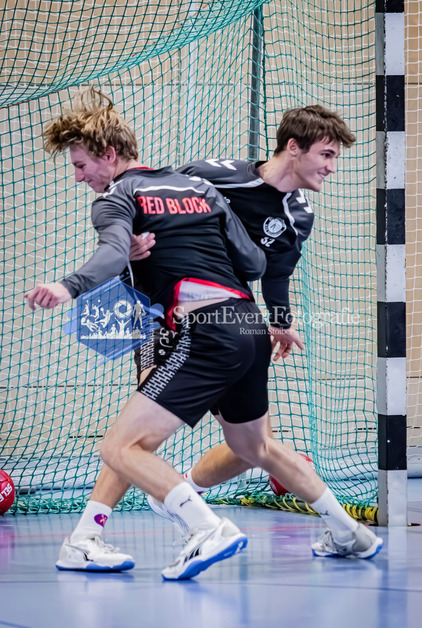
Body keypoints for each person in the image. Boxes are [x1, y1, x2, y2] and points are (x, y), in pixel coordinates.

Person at [26, 94, 382, 577]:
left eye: (81, 165)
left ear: (108, 155)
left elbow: (114, 251)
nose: (78, 176)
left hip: (196, 327)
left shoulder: (119, 198)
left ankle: (194, 526)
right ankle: (349, 532)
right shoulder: (206, 181)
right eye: (327, 154)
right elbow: (254, 263)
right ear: (293, 149)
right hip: (247, 324)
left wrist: (68, 285)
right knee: (254, 447)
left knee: (123, 444)